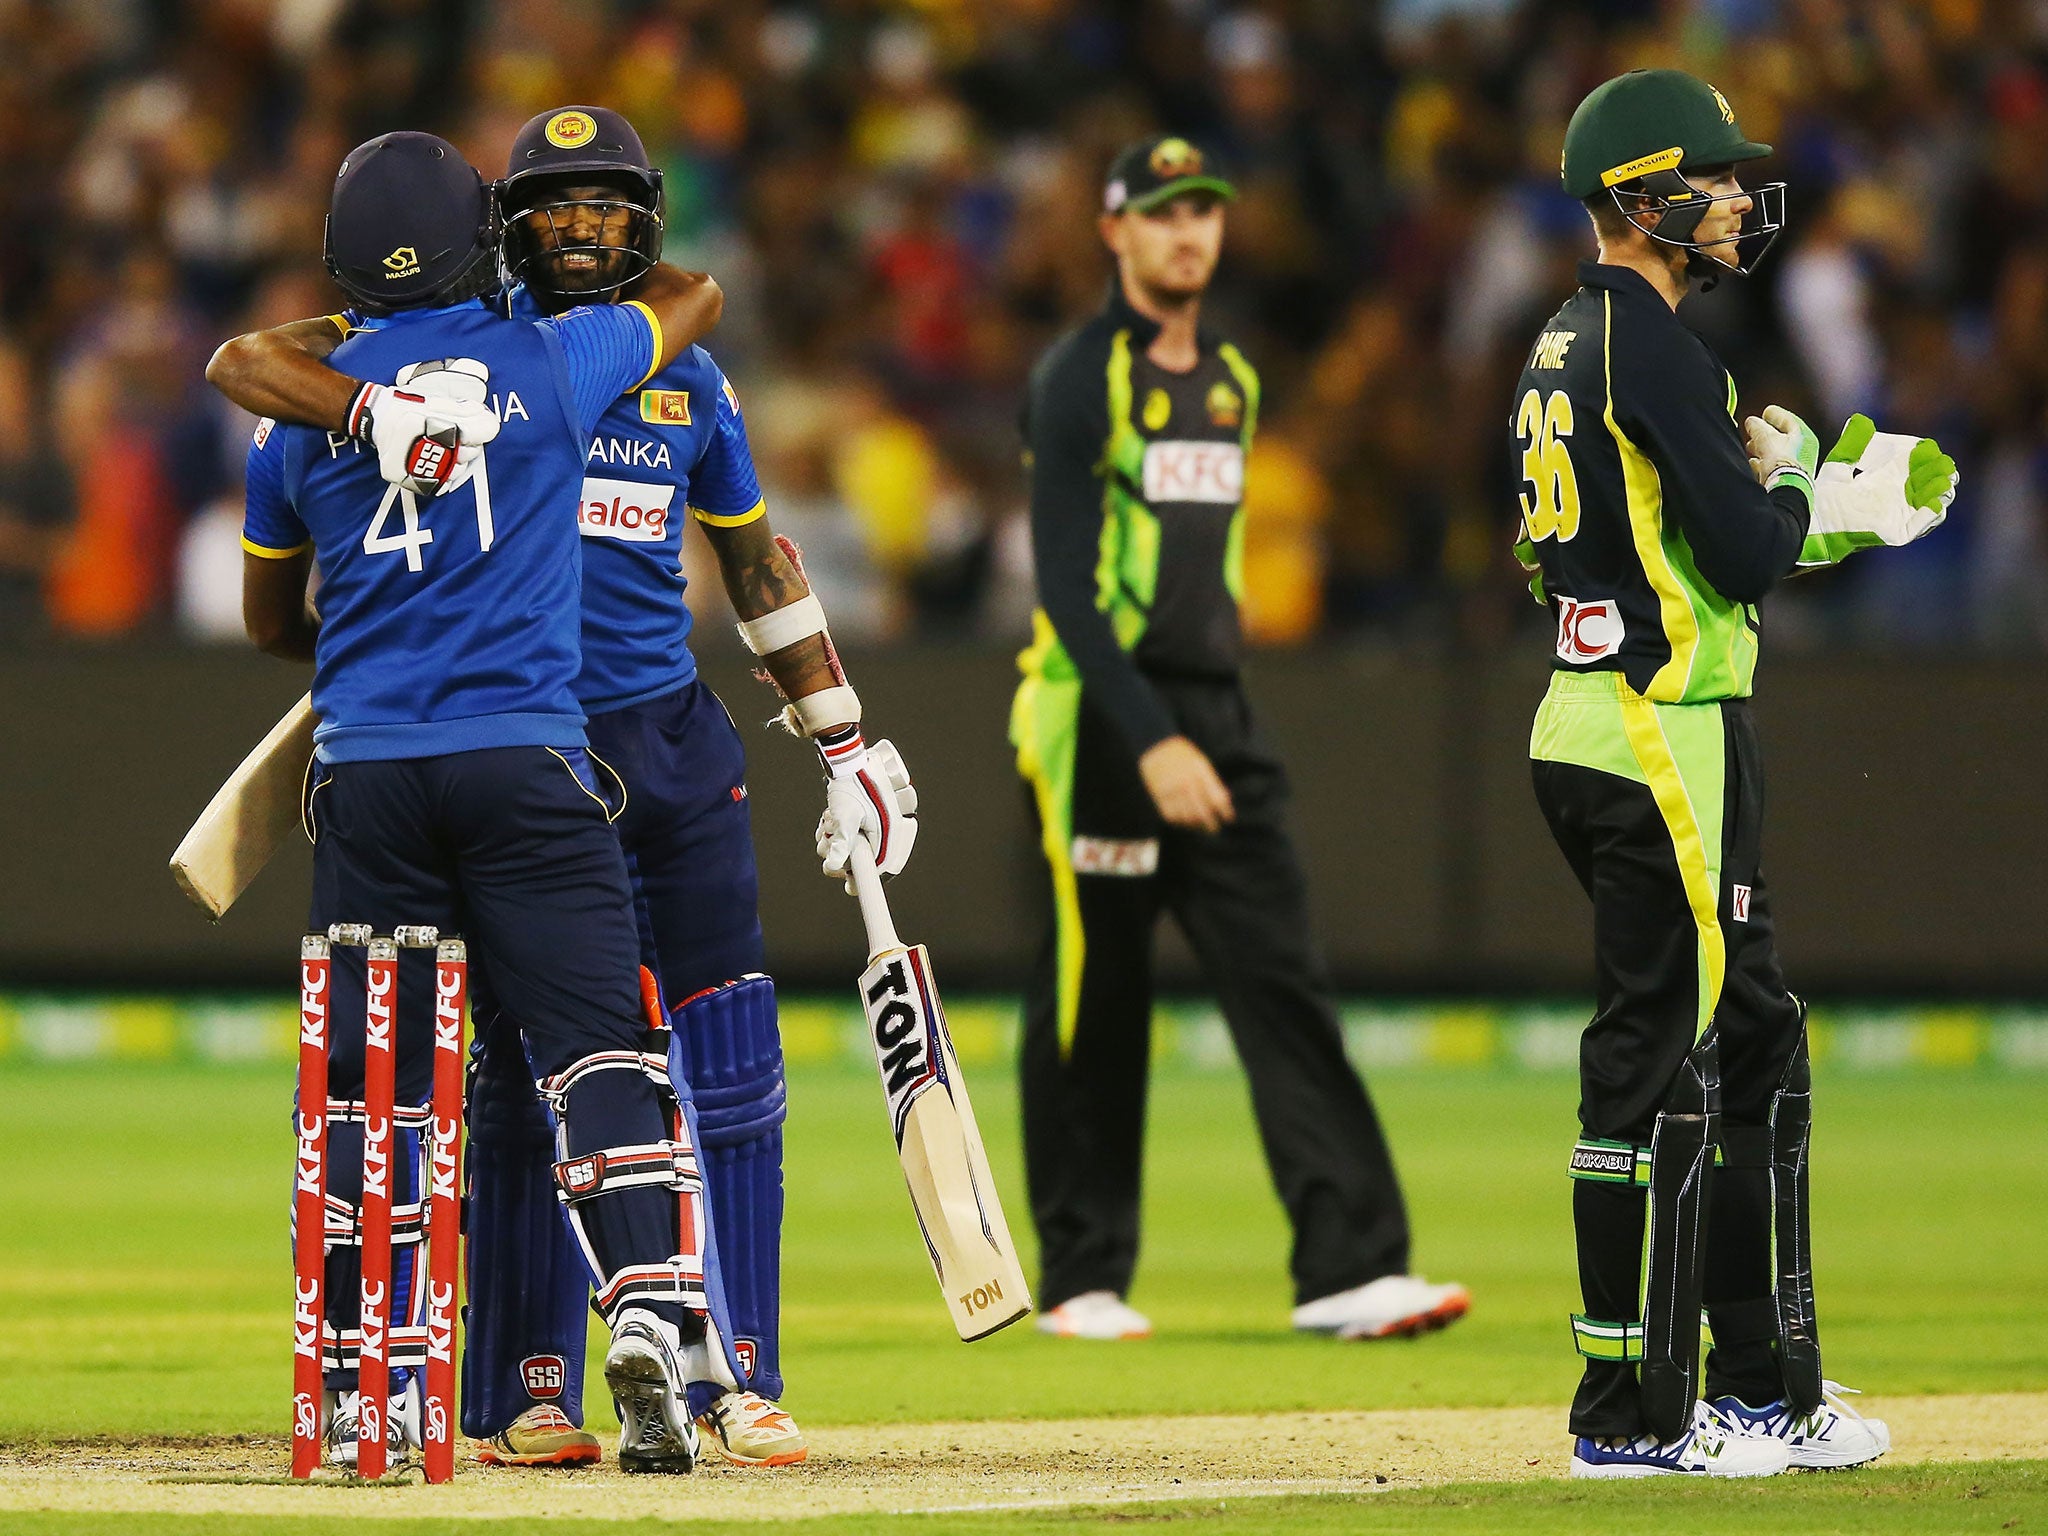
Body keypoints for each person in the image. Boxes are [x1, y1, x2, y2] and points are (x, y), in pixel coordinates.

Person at [210, 107, 917, 1470]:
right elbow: (686, 297)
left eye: (609, 203)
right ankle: (555, 1372)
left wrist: (841, 738)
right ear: (494, 228)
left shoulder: (654, 382)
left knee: (666, 1070)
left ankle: (722, 1373)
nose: (586, 227)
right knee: (549, 1065)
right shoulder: (550, 358)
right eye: (554, 204)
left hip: (572, 752)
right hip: (535, 758)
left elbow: (759, 565)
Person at [1515, 69, 1957, 1478]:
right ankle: (1629, 1419)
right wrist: (1808, 491)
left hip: (1629, 712)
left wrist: (1816, 512)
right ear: (1640, 198)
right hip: (1657, 731)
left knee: (1751, 1037)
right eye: (1704, 179)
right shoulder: (1648, 348)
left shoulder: (1564, 341)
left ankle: (1768, 1387)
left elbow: (1678, 555)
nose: (1728, 201)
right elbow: (1749, 551)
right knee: (1658, 1070)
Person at [1009, 136, 1467, 1342]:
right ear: (1113, 231)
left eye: (1203, 212)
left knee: (1283, 983)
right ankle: (1080, 1276)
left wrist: (1204, 694)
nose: (1186, 235)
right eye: (1161, 215)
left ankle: (1348, 1268)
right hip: (1098, 711)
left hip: (1215, 709)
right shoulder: (1076, 379)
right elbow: (1065, 588)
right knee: (1092, 997)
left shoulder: (1229, 380)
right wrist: (1150, 739)